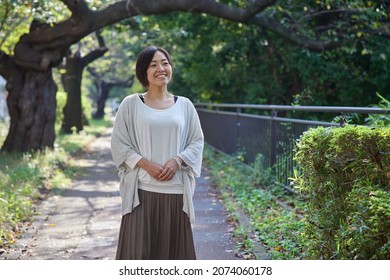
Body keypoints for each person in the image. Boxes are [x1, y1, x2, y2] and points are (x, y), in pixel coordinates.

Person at [111, 46, 204, 260]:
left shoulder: (185, 105)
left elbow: (196, 142)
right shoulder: (131, 104)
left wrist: (177, 161)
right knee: (138, 256)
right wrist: (144, 163)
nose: (161, 68)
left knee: (174, 256)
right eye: (153, 65)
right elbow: (119, 143)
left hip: (176, 192)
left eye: (165, 63)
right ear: (143, 71)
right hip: (141, 192)